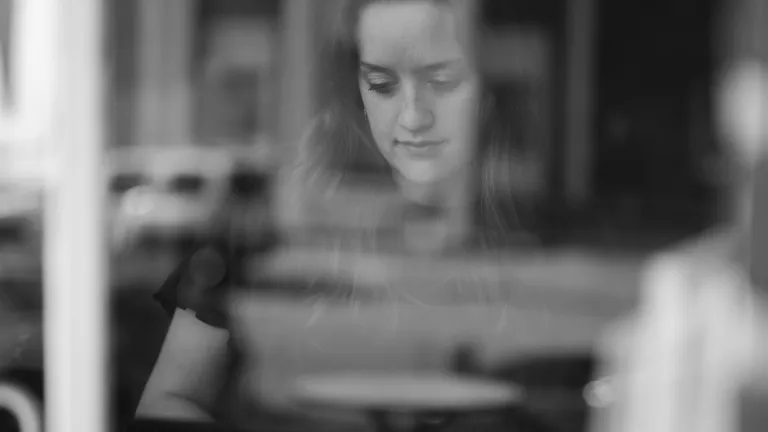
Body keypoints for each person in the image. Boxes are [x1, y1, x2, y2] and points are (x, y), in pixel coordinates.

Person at [136, 0, 527, 423]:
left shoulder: (499, 263)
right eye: (382, 83)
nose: (414, 114)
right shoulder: (223, 279)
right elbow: (172, 401)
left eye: (440, 80)